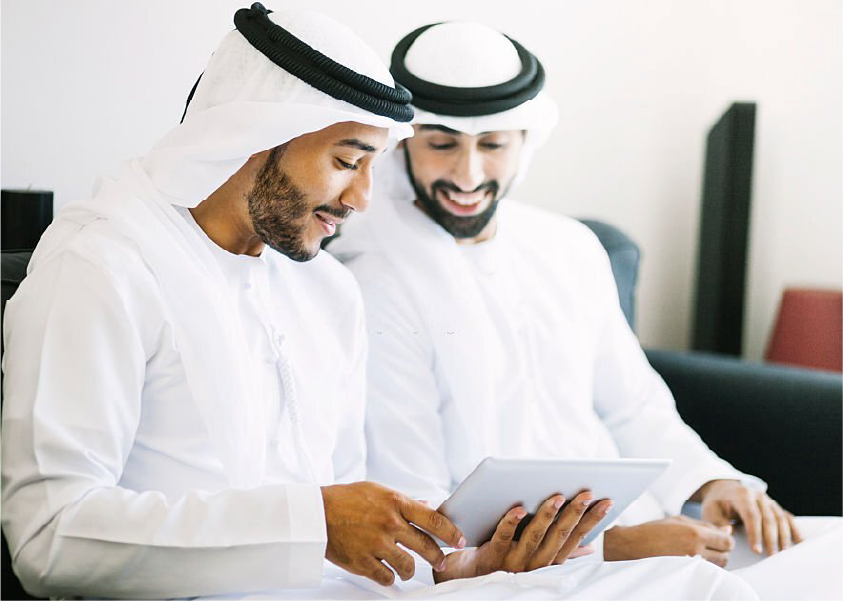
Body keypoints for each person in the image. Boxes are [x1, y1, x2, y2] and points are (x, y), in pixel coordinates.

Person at [0, 6, 630, 600]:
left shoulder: (327, 292)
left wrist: (464, 568)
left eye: (372, 167)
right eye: (346, 161)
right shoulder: (102, 267)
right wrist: (311, 524)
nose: (361, 197)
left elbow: (356, 541)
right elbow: (48, 535)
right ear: (253, 135)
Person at [330, 20, 843, 600]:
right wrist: (615, 545)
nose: (468, 175)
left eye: (493, 144)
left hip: (660, 534)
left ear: (526, 142)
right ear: (406, 144)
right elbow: (417, 510)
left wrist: (712, 480)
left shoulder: (569, 246)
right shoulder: (370, 280)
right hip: (516, 577)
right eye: (442, 143)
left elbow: (633, 406)